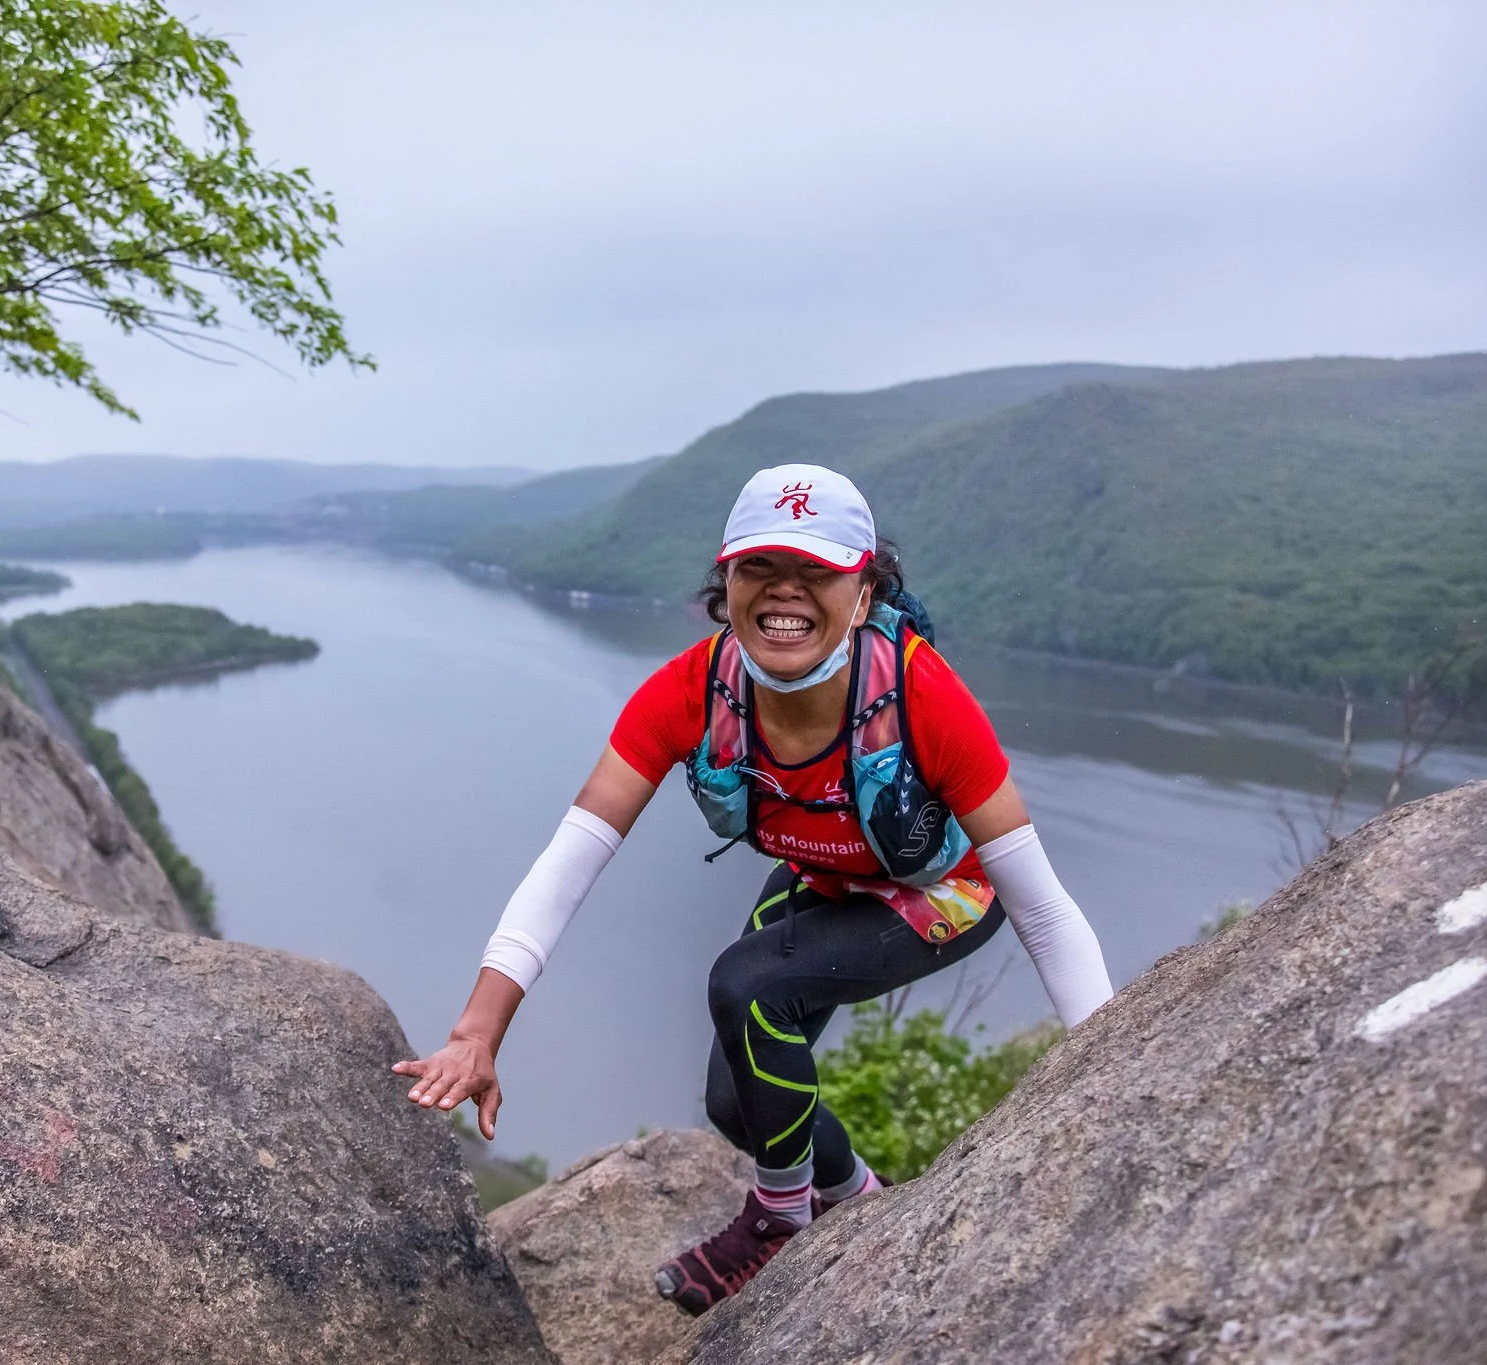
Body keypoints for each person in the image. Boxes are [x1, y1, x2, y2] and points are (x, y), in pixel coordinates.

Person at [393, 463, 1114, 1315]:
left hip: (946, 891)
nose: (785, 593)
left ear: (866, 587)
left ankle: (777, 1222)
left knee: (746, 985)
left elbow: (1041, 906)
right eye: (759, 568)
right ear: (724, 579)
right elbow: (569, 861)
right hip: (828, 877)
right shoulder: (690, 692)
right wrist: (478, 1032)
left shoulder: (918, 693)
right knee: (739, 1100)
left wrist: (1105, 1070)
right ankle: (859, 1205)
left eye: (816, 571)